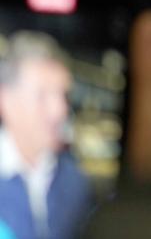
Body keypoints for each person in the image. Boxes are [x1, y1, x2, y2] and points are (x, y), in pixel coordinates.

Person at [0, 32, 89, 239]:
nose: (60, 110)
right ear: (5, 100)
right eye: (42, 95)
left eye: (63, 95)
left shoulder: (75, 183)